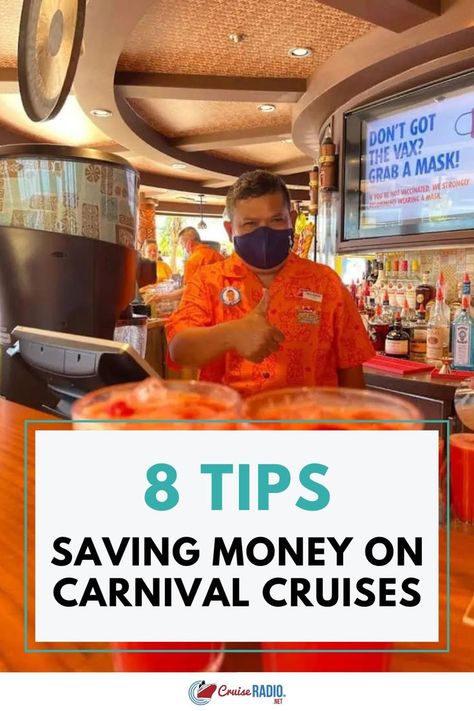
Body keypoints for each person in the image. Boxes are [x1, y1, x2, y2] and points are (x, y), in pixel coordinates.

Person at [166, 170, 375, 396]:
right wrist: (232, 334)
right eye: (250, 224)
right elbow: (179, 348)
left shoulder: (326, 283)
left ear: (292, 221)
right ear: (230, 230)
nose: (263, 232)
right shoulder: (209, 281)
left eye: (276, 220)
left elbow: (352, 376)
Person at [149, 227, 223, 303]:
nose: (183, 248)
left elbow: (187, 291)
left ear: (189, 243)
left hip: (204, 304)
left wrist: (163, 296)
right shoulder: (218, 255)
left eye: (182, 245)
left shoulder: (192, 261)